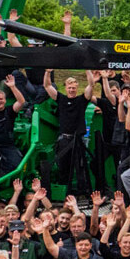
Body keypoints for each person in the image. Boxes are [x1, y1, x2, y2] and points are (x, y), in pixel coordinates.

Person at [43, 67, 96, 197]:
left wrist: (87, 70)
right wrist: (48, 72)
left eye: (74, 88)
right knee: (63, 167)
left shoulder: (82, 100)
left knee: (80, 167)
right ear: (65, 88)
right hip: (64, 139)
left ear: (77, 88)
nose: (71, 90)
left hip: (78, 140)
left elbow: (91, 85)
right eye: (69, 87)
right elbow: (47, 86)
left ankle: (82, 194)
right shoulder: (60, 99)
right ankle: (64, 194)